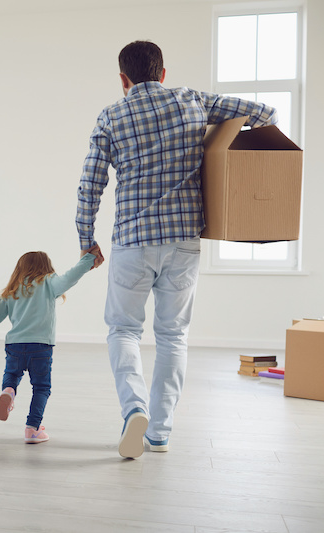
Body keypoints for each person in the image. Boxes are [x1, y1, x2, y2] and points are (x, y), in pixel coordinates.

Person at [76, 41, 278, 458]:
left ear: (122, 79)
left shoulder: (112, 115)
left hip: (132, 242)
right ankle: (160, 431)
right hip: (183, 240)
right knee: (172, 336)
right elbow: (266, 114)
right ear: (163, 73)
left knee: (123, 329)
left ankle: (134, 410)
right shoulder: (193, 100)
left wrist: (86, 239)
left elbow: (90, 185)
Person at [0, 251, 96, 443]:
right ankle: (32, 429)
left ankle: (8, 391)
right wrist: (89, 259)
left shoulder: (13, 289)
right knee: (41, 387)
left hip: (15, 345)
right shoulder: (49, 282)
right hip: (41, 346)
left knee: (12, 375)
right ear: (47, 266)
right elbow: (70, 277)